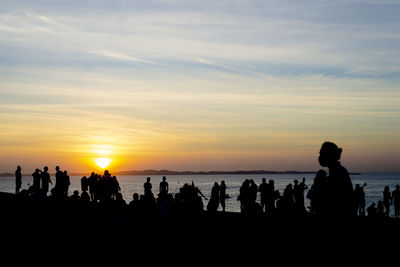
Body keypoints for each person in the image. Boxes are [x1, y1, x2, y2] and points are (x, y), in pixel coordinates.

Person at [318, 141, 354, 217]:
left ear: (328, 156)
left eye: (321, 154)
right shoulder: (337, 171)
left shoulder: (338, 173)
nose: (320, 157)